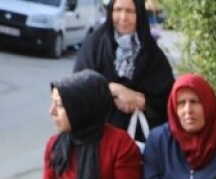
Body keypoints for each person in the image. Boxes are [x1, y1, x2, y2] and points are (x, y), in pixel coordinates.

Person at [73, 0, 174, 134]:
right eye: (118, 10)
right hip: (96, 138)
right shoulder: (95, 45)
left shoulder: (152, 55)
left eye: (130, 11)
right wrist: (112, 89)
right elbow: (77, 88)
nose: (123, 17)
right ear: (110, 12)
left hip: (137, 141)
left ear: (140, 14)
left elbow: (168, 99)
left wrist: (141, 101)